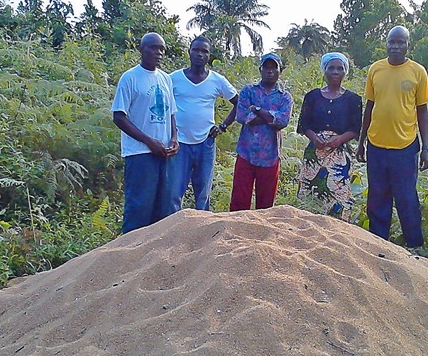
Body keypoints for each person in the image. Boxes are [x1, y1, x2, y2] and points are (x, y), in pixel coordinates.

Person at [356, 25, 428, 248]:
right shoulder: (375, 70)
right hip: (376, 145)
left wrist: (426, 148)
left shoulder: (418, 72)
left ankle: (414, 245)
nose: (395, 46)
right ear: (386, 43)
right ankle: (379, 244)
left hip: (405, 147)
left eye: (400, 42)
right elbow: (369, 107)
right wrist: (361, 143)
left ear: (408, 45)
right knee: (377, 198)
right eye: (392, 42)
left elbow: (422, 111)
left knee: (407, 198)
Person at [111, 32, 179, 234]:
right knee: (139, 209)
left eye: (161, 49)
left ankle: (154, 260)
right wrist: (149, 142)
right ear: (141, 50)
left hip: (165, 154)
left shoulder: (166, 79)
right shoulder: (130, 78)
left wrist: (175, 138)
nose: (158, 52)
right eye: (153, 47)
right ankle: (129, 257)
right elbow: (119, 117)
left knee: (163, 210)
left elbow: (171, 113)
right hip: (140, 155)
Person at [168, 36, 238, 213]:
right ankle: (173, 233)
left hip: (205, 143)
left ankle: (202, 235)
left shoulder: (217, 80)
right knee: (174, 193)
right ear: (189, 52)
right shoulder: (173, 78)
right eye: (196, 50)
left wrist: (222, 126)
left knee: (203, 195)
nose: (199, 54)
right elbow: (163, 106)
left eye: (204, 51)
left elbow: (240, 103)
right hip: (179, 143)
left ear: (209, 55)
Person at [297, 52, 362, 221]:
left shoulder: (353, 99)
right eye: (331, 68)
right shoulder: (312, 96)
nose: (335, 72)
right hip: (315, 154)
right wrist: (314, 138)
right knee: (311, 193)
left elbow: (356, 129)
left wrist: (339, 139)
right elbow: (303, 124)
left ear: (345, 72)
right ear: (324, 71)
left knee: (338, 194)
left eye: (340, 68)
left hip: (340, 155)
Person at [229, 53, 293, 211]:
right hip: (246, 153)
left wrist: (256, 109)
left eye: (274, 67)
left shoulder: (285, 97)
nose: (270, 71)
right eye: (266, 67)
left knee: (266, 206)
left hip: (270, 156)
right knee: (239, 201)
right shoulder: (248, 91)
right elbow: (242, 116)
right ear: (260, 69)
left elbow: (282, 121)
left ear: (280, 71)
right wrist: (271, 116)